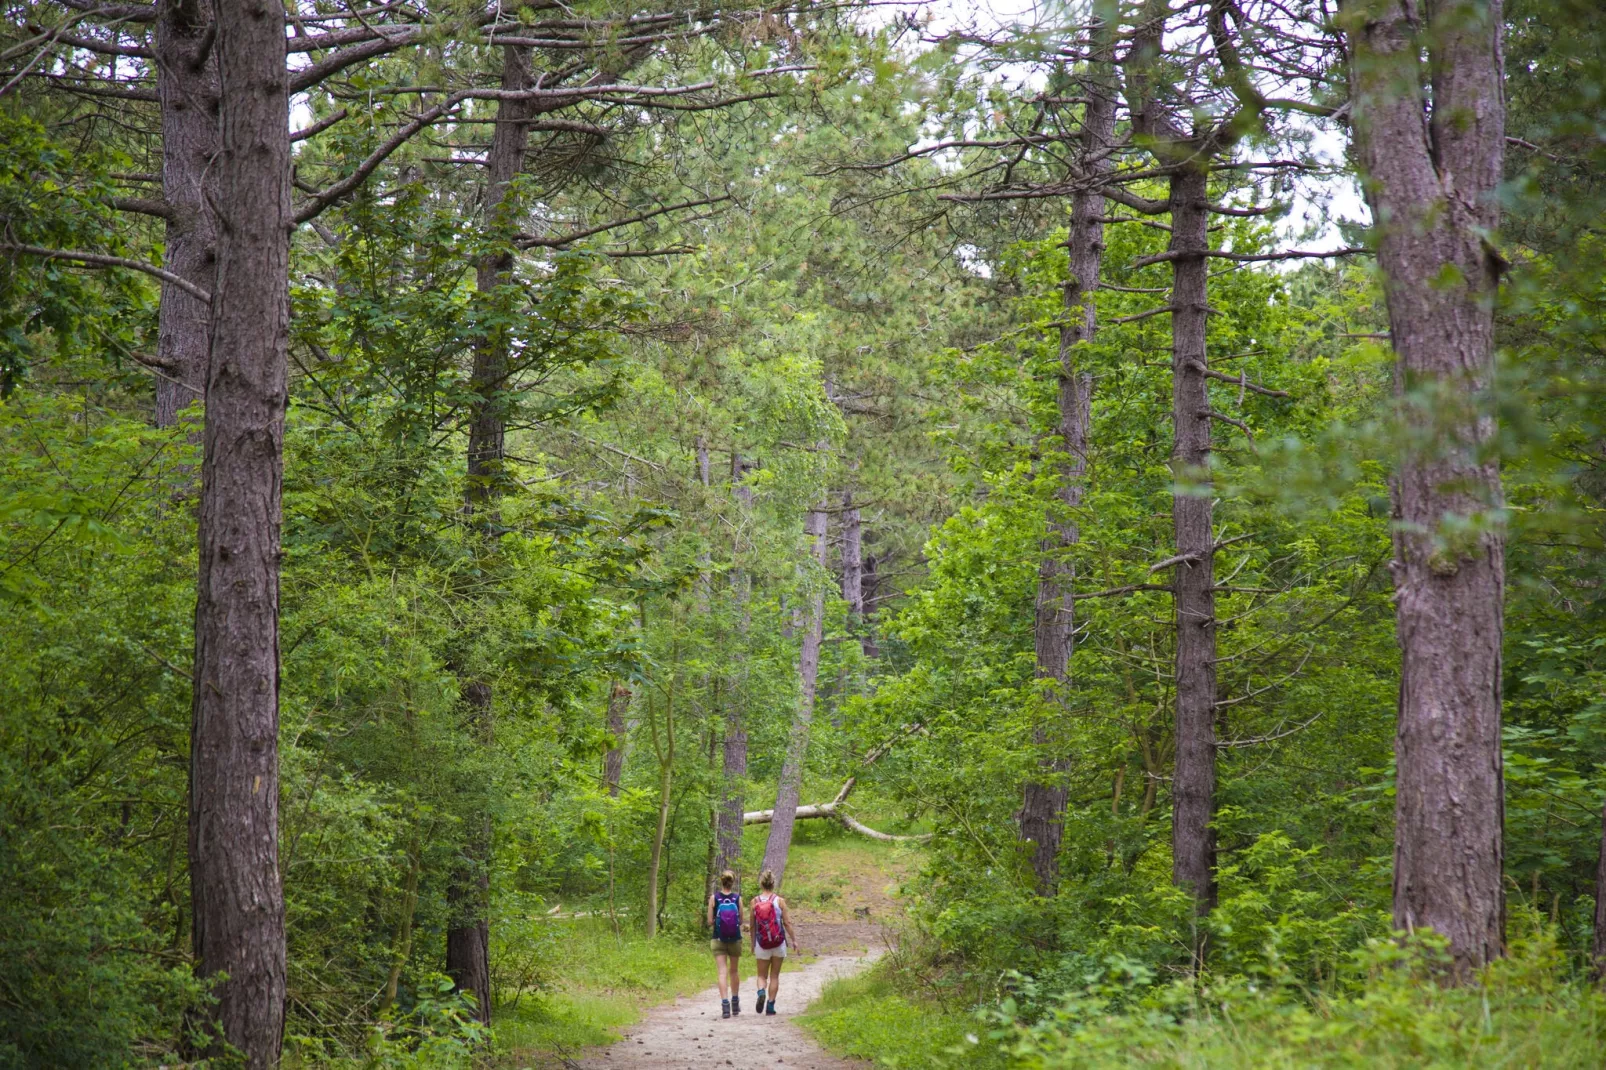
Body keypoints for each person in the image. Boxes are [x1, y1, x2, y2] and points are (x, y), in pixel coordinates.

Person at [749, 868, 799, 1016]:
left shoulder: (754, 902)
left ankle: (760, 992)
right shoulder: (780, 901)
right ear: (773, 884)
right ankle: (770, 1006)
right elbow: (787, 923)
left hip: (762, 943)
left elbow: (752, 926)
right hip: (778, 943)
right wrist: (794, 940)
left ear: (761, 883)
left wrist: (752, 944)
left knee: (761, 976)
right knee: (775, 976)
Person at [707, 870, 744, 1018]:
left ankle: (725, 1006)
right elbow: (741, 920)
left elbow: (710, 921)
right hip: (735, 939)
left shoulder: (714, 898)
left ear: (721, 882)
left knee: (722, 972)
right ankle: (735, 1003)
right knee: (734, 971)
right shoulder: (737, 898)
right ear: (733, 882)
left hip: (718, 939)